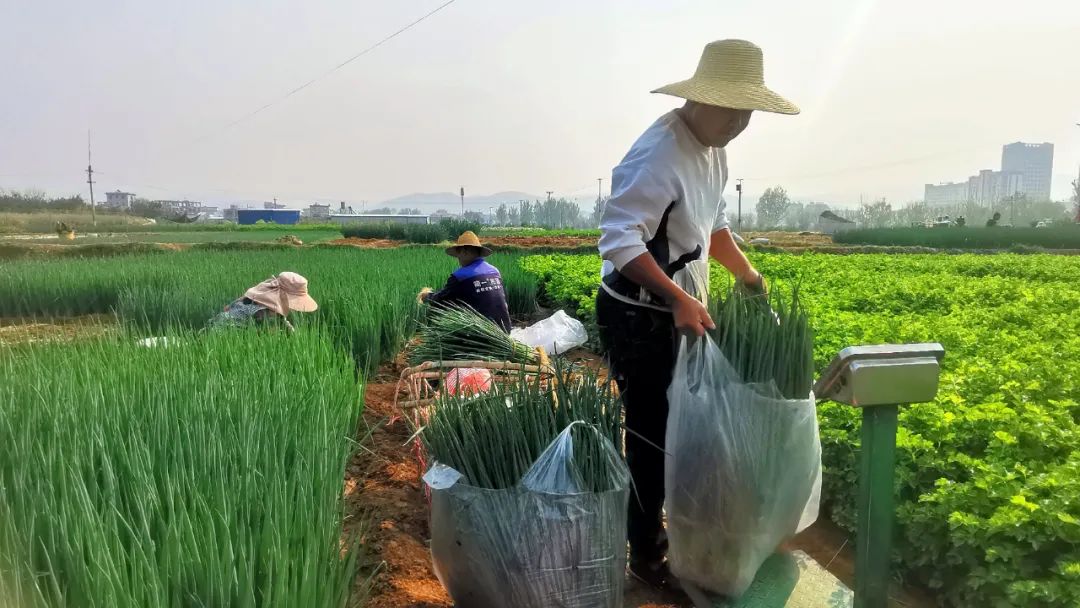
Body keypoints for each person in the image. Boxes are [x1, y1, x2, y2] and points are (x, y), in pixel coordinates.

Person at [596, 39, 795, 590]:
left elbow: (712, 227)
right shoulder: (659, 152)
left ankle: (682, 530)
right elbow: (619, 242)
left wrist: (749, 277)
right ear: (700, 98)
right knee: (652, 435)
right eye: (730, 108)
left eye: (747, 112)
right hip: (638, 316)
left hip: (680, 313)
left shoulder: (713, 149)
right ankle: (647, 553)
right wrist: (678, 298)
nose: (738, 121)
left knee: (684, 431)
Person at [418, 231, 512, 332]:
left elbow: (442, 300)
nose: (458, 258)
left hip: (483, 334)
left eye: (458, 254)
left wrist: (427, 296)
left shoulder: (460, 276)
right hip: (505, 329)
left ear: (464, 251)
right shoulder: (495, 271)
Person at [208, 271, 318, 331]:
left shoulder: (252, 300)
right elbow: (271, 334)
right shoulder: (267, 314)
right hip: (225, 333)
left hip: (215, 325)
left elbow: (283, 322)